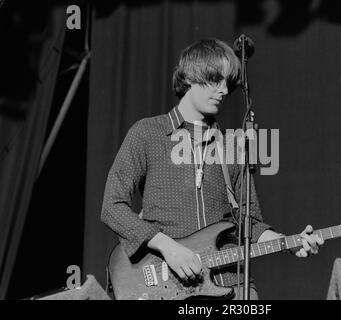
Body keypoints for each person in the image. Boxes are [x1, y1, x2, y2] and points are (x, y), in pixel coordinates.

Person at [101, 38, 324, 300]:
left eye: (227, 83)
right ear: (192, 76)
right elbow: (112, 207)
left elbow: (247, 223)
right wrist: (168, 247)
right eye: (215, 80)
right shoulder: (147, 133)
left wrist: (288, 243)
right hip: (166, 286)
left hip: (231, 285)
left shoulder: (231, 146)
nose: (223, 90)